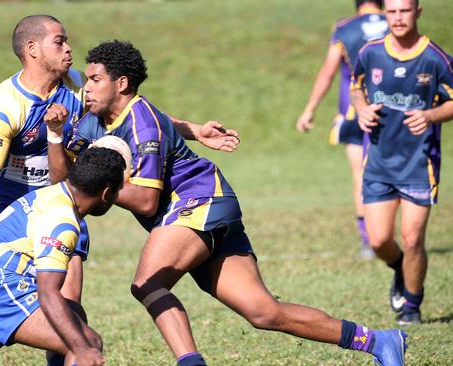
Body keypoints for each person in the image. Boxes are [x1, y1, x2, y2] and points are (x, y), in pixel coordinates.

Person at [47, 40, 408, 366]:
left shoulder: (144, 126)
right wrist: (55, 137)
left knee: (147, 284)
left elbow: (144, 201)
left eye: (95, 80)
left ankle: (191, 363)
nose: (87, 87)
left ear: (121, 84)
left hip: (200, 199)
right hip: (202, 208)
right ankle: (379, 342)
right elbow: (63, 177)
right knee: (264, 312)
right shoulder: (98, 119)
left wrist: (92, 186)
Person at [0, 14, 240, 366]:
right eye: (59, 41)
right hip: (18, 210)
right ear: (32, 49)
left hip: (68, 203)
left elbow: (132, 112)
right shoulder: (5, 107)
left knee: (69, 306)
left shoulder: (76, 84)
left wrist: (193, 130)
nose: (69, 47)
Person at [0, 147, 125, 366]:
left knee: (74, 316)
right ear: (106, 194)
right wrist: (80, 349)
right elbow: (48, 293)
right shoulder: (62, 221)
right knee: (87, 342)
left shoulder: (49, 194)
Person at [350, 0, 453, 325]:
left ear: (417, 13)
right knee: (380, 240)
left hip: (419, 164)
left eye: (404, 11)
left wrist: (431, 114)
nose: (397, 18)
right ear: (385, 14)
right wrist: (363, 107)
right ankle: (399, 268)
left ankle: (412, 305)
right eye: (391, 12)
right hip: (379, 162)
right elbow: (356, 88)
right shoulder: (370, 52)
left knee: (412, 239)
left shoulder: (435, 59)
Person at [296, 0, 388, 259]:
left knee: (360, 174)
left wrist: (309, 109)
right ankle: (396, 235)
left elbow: (328, 72)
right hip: (395, 111)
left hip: (355, 113)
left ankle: (368, 241)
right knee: (397, 172)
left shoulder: (344, 29)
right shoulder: (398, 22)